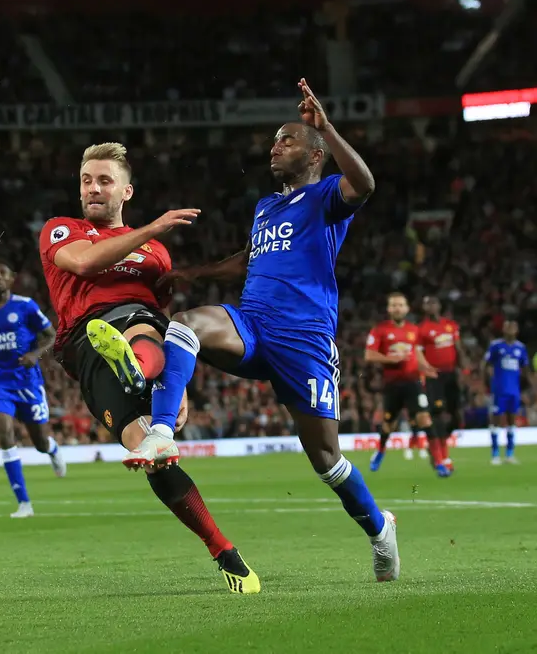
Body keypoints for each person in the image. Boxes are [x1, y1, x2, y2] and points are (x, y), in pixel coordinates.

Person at [126, 79, 400, 582]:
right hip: (251, 324)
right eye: (274, 140)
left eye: (287, 139)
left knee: (326, 461)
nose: (274, 147)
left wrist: (327, 126)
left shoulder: (325, 198)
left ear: (316, 154)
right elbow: (248, 261)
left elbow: (365, 185)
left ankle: (381, 529)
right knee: (186, 323)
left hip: (304, 340)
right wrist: (195, 274)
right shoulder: (266, 207)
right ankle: (162, 433)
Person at [39, 141, 259, 594]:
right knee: (133, 341)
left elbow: (165, 315)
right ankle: (137, 368)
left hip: (142, 329)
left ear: (126, 191)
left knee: (153, 445)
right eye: (86, 181)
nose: (93, 189)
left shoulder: (157, 254)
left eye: (104, 181)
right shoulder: (61, 230)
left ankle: (224, 552)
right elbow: (82, 263)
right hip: (87, 341)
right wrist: (153, 227)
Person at [0, 263, 64, 518]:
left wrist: (34, 354)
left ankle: (51, 449)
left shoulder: (26, 306)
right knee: (4, 433)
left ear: (11, 279)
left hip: (28, 382)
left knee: (39, 441)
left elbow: (52, 335)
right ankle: (24, 503)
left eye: (2, 274)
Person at [364, 293, 447, 476]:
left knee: (425, 419)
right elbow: (369, 355)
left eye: (400, 305)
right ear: (389, 309)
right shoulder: (380, 330)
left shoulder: (413, 330)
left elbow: (417, 353)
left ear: (407, 308)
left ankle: (440, 463)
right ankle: (380, 451)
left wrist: (426, 367)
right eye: (394, 305)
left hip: (413, 382)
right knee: (388, 425)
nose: (397, 308)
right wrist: (390, 359)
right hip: (392, 384)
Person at [417, 295, 463, 471]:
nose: (431, 306)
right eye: (427, 303)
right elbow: (418, 353)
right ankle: (441, 455)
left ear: (439, 305)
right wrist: (427, 369)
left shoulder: (450, 325)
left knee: (456, 416)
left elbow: (458, 348)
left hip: (451, 375)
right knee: (437, 414)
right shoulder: (422, 329)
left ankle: (438, 448)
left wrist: (463, 369)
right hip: (435, 377)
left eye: (434, 302)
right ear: (424, 308)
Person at [484, 320, 529, 465]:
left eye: (513, 327)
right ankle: (495, 454)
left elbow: (525, 368)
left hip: (514, 391)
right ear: (503, 329)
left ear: (517, 330)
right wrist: (488, 382)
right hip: (499, 390)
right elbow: (486, 364)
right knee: (496, 420)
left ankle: (510, 454)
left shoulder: (520, 348)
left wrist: (526, 388)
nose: (510, 329)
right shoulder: (496, 346)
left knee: (511, 421)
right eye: (507, 326)